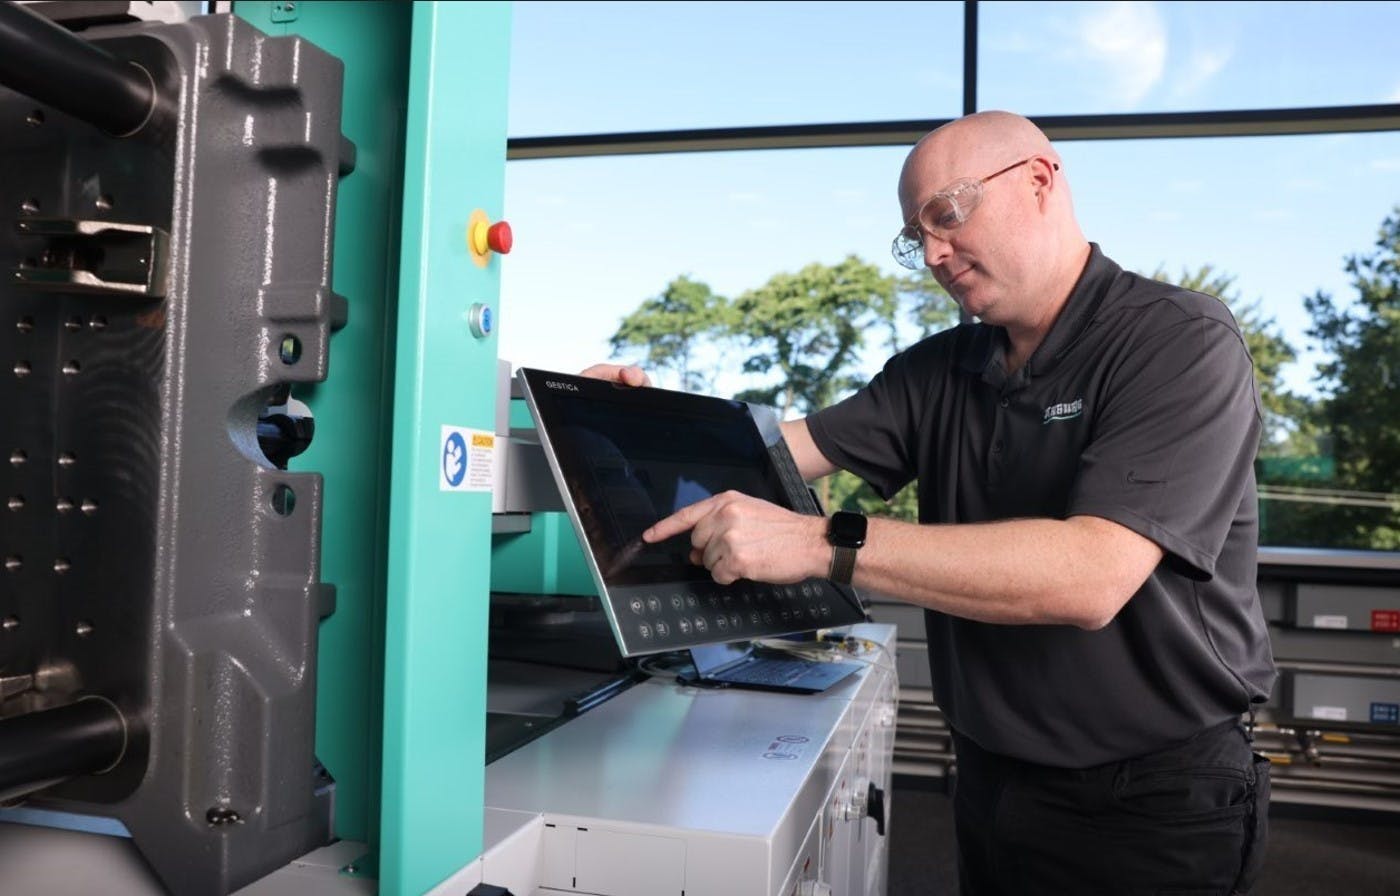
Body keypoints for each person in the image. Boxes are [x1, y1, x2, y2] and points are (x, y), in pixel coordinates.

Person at [584, 109, 1276, 895]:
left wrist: (826, 544)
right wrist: (622, 416)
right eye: (917, 237)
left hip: (1154, 798)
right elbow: (772, 451)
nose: (936, 254)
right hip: (991, 779)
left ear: (1042, 181)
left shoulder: (1177, 340)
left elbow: (1092, 574)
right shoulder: (940, 370)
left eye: (947, 214)